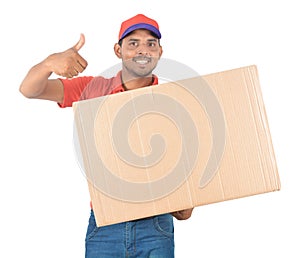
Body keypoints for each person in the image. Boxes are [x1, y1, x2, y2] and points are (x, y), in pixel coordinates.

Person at [19, 14, 193, 258]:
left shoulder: (173, 103)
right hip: (105, 225)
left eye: (150, 43)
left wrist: (187, 198)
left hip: (154, 225)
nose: (143, 49)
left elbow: (185, 166)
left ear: (160, 51)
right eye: (133, 43)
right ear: (118, 49)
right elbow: (30, 89)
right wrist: (49, 63)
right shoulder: (94, 90)